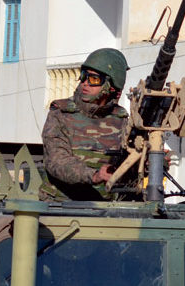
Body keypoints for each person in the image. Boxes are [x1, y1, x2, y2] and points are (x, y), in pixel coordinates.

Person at [39, 48, 129, 201]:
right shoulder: (61, 113)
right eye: (83, 76)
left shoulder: (121, 120)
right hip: (60, 204)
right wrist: (94, 175)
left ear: (111, 87)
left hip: (104, 205)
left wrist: (152, 161)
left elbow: (129, 164)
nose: (85, 83)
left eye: (94, 79)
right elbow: (57, 161)